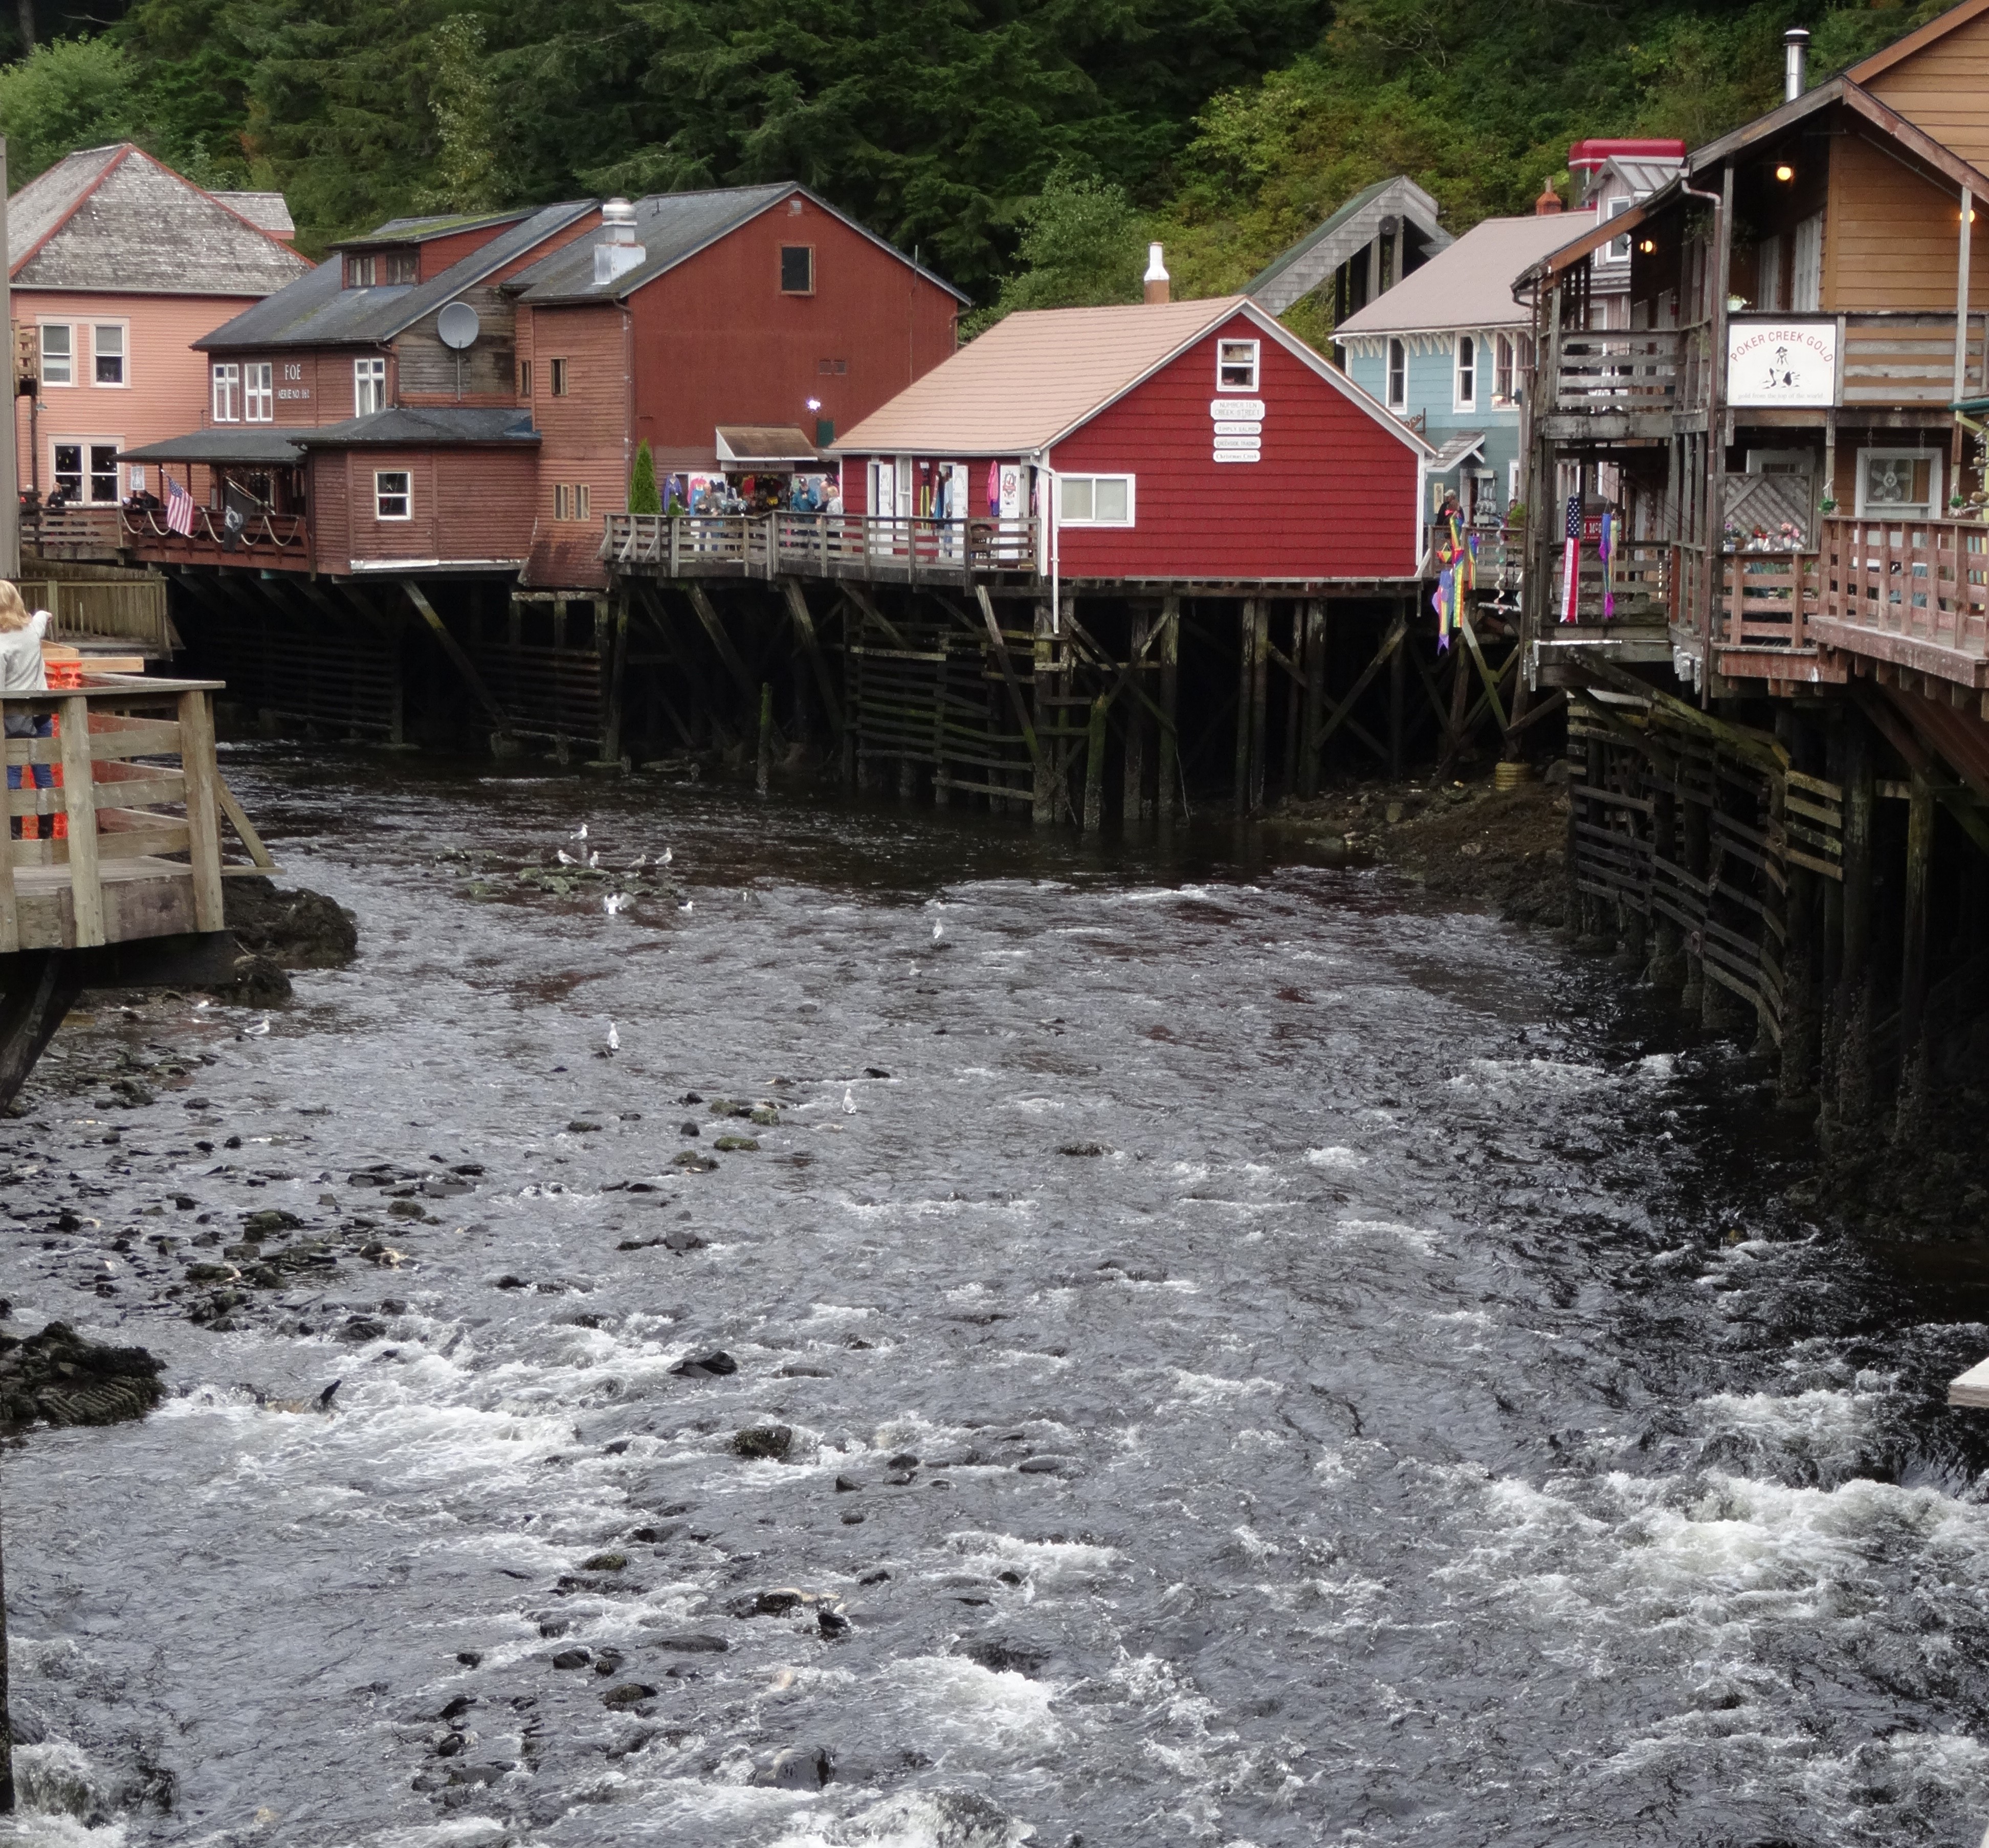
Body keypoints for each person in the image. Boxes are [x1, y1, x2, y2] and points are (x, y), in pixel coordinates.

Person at [0, 581, 54, 838]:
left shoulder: (2, 644)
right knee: (43, 772)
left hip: (14, 717)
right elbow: (41, 619)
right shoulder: (32, 631)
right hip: (41, 712)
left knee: (12, 772)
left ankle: (15, 838)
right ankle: (46, 836)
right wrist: (44, 614)